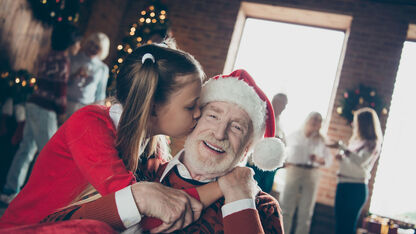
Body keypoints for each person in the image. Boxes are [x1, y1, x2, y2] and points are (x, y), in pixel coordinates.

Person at [0, 40, 209, 233]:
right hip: (24, 229)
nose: (198, 113)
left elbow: (169, 203)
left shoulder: (155, 147)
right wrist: (221, 188)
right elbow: (140, 208)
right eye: (191, 106)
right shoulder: (90, 124)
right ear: (153, 108)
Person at [41, 69, 286, 233]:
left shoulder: (262, 207)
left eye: (236, 127)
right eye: (213, 116)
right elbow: (54, 225)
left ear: (247, 148)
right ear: (194, 121)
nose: (219, 133)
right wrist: (138, 198)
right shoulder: (140, 169)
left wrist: (240, 200)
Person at [0, 23, 82, 204]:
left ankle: (9, 190)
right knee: (50, 154)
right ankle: (42, 198)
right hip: (45, 109)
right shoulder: (63, 61)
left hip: (33, 104)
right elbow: (59, 90)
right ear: (71, 43)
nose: (79, 46)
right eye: (78, 42)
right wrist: (62, 111)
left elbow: (48, 82)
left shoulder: (49, 56)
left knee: (26, 149)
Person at [328, 107, 383, 234]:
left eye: (357, 121)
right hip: (343, 183)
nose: (354, 125)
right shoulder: (356, 141)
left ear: (364, 124)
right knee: (339, 224)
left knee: (347, 226)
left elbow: (360, 161)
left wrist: (343, 148)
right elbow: (352, 162)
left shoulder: (372, 143)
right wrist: (341, 157)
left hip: (356, 187)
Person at [280, 112, 332, 234]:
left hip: (312, 173)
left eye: (319, 120)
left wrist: (320, 160)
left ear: (321, 124)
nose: (315, 121)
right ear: (307, 119)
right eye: (313, 118)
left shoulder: (322, 140)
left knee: (306, 211)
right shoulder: (295, 135)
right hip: (294, 170)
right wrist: (284, 162)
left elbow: (328, 161)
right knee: (286, 207)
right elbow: (282, 149)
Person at [247, 93, 288, 193]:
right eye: (278, 102)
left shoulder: (281, 124)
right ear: (272, 101)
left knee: (264, 193)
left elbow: (284, 143)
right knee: (249, 190)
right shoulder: (261, 116)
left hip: (271, 166)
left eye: (283, 104)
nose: (280, 106)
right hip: (255, 163)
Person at [66, 32, 110, 118]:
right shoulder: (73, 58)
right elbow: (62, 81)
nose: (92, 48)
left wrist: (98, 114)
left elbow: (100, 94)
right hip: (66, 103)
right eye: (91, 43)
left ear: (102, 50)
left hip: (85, 109)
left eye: (97, 47)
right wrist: (74, 75)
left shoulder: (103, 68)